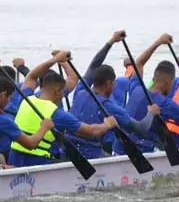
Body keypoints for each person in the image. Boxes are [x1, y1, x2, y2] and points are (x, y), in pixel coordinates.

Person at [7, 56, 118, 168]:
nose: (62, 96)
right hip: (36, 162)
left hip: (13, 158)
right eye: (62, 93)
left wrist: (55, 59)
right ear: (57, 92)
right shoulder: (57, 114)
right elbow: (90, 131)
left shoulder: (25, 98)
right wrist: (107, 124)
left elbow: (31, 76)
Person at [68, 30, 164, 159]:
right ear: (109, 83)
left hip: (69, 151)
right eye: (114, 83)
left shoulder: (80, 91)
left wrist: (111, 41)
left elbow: (94, 65)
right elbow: (141, 129)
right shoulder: (110, 108)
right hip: (89, 157)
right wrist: (151, 112)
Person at [122, 60, 179, 153]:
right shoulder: (166, 104)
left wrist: (156, 44)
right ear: (169, 81)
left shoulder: (137, 89)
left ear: (154, 78)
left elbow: (139, 63)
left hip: (120, 148)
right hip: (142, 152)